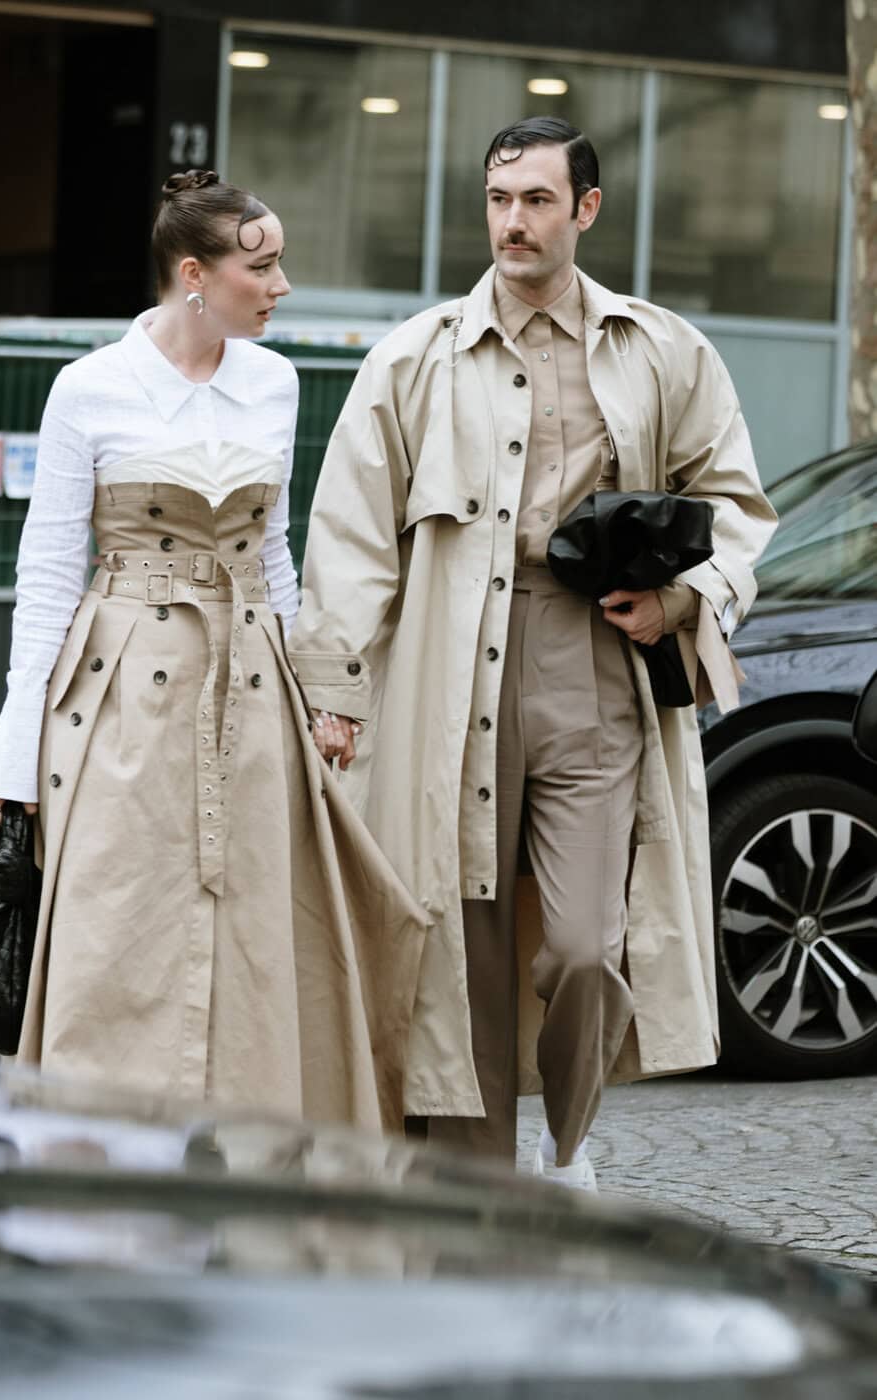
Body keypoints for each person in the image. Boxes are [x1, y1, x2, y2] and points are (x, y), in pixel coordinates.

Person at [290, 118, 776, 1189]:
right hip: (443, 671)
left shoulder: (661, 348)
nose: (513, 220)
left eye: (538, 200)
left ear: (585, 211)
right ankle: (470, 1190)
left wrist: (682, 597)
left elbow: (737, 502)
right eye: (499, 198)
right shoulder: (411, 358)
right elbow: (353, 538)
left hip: (593, 666)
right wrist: (337, 690)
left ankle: (567, 1139)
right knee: (456, 947)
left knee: (584, 947)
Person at [0, 170, 427, 1133]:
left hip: (255, 690)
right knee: (112, 929)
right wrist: (14, 754)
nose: (282, 285)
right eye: (261, 266)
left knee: (262, 938)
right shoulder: (89, 388)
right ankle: (94, 1177)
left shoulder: (276, 381)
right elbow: (48, 574)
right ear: (195, 275)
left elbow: (275, 554)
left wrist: (322, 695)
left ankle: (256, 1172)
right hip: (122, 695)